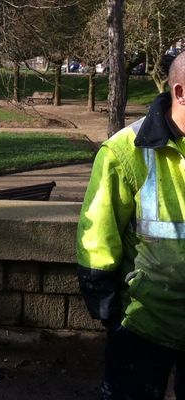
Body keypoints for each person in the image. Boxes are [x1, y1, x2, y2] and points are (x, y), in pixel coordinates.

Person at [77, 52, 185, 399]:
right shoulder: (126, 150)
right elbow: (97, 236)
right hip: (142, 325)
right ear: (180, 92)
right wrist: (112, 315)